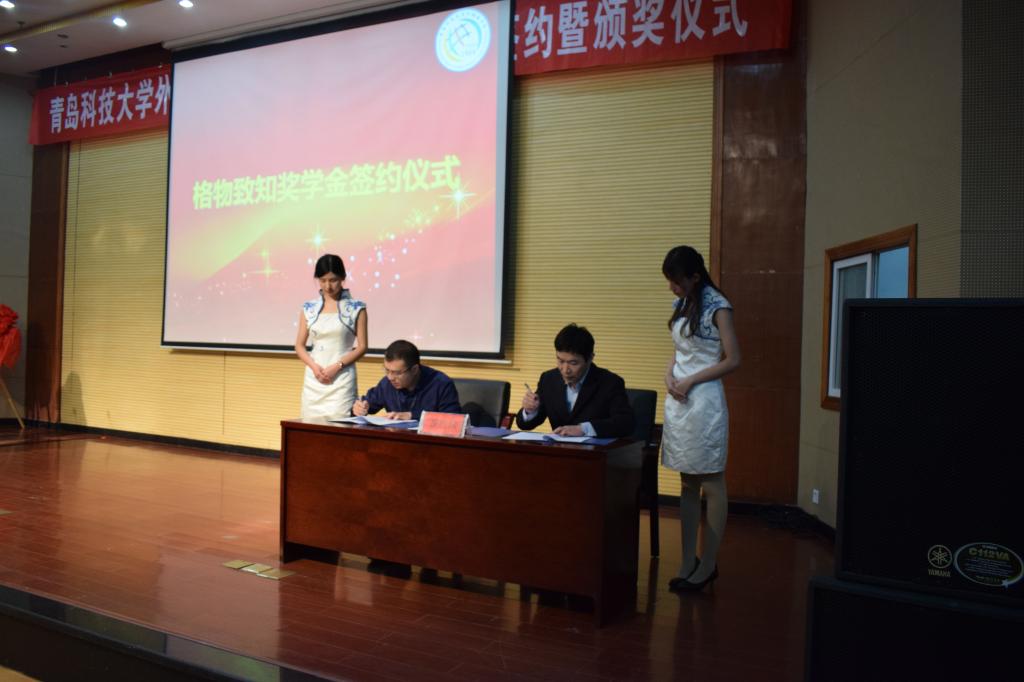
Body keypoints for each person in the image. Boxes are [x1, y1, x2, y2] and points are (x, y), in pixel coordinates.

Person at [661, 246, 741, 593]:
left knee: (712, 482)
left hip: (704, 400)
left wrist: (691, 380)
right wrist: (669, 375)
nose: (672, 288)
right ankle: (686, 561)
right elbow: (679, 351)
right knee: (687, 483)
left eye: (676, 281)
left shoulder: (718, 306)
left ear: (695, 276)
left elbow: (733, 359)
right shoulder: (683, 302)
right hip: (679, 399)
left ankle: (708, 563)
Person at [516, 323, 634, 438]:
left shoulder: (610, 382)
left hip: (595, 450)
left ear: (590, 358)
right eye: (560, 361)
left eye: (573, 363)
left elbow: (625, 423)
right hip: (560, 449)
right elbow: (525, 425)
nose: (565, 370)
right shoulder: (548, 379)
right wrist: (529, 410)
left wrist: (584, 429)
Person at [295, 254, 368, 420]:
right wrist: (314, 367)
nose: (328, 286)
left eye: (333, 280)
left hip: (341, 379)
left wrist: (337, 366)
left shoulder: (357, 308)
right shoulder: (309, 308)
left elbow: (362, 346)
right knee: (310, 426)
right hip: (314, 379)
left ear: (343, 278)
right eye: (323, 280)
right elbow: (299, 345)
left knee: (340, 425)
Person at [353, 339, 461, 420]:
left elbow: (454, 420)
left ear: (414, 370)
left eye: (397, 373)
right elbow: (368, 403)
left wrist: (412, 416)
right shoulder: (387, 383)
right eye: (387, 370)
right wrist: (360, 407)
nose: (390, 377)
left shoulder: (441, 384)